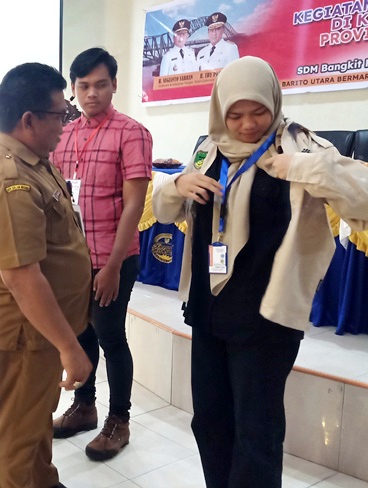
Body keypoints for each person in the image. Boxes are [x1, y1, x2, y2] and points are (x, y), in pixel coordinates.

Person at [152, 56, 368, 487]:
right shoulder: (209, 149)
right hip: (209, 310)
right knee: (210, 421)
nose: (247, 124)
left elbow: (362, 198)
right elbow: (162, 210)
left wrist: (303, 168)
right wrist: (177, 185)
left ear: (274, 102)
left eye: (258, 112)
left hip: (266, 319)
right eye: (235, 114)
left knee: (256, 434)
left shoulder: (300, 146)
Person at [0, 62, 93, 488]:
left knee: (36, 417)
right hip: (26, 332)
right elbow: (22, 277)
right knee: (17, 437)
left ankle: (43, 481)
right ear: (28, 120)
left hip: (40, 330)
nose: (65, 124)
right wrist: (70, 347)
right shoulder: (10, 179)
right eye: (60, 114)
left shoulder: (34, 162)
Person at [50, 47, 153, 461]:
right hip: (72, 260)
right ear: (74, 89)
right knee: (80, 333)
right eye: (83, 86)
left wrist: (111, 267)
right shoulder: (63, 134)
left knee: (110, 336)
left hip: (113, 259)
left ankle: (119, 420)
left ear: (114, 85)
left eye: (100, 85)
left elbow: (134, 204)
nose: (92, 93)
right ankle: (85, 406)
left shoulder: (132, 133)